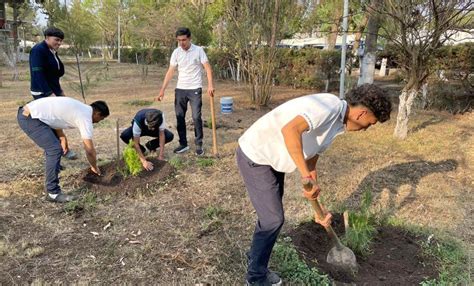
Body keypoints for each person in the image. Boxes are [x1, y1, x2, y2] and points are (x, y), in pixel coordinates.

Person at [236, 84, 392, 286]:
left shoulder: (337, 124)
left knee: (270, 216)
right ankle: (255, 278)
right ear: (362, 114)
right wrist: (304, 176)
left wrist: (316, 200)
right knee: (272, 219)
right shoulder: (329, 106)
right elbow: (290, 130)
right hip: (256, 154)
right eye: (370, 124)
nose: (366, 129)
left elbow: (311, 159)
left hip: (272, 159)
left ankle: (255, 254)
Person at [17, 97, 110, 203]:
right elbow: (89, 149)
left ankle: (54, 171)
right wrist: (94, 167)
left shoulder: (81, 107)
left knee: (55, 148)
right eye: (101, 119)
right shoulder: (85, 117)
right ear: (97, 113)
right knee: (54, 149)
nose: (98, 122)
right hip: (30, 118)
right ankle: (53, 193)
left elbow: (54, 116)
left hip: (33, 114)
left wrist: (61, 136)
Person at [156, 27, 215, 156]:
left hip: (195, 88)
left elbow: (208, 68)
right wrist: (162, 90)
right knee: (179, 117)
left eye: (183, 40)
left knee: (196, 117)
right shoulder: (176, 53)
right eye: (179, 41)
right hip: (180, 89)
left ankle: (199, 144)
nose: (181, 43)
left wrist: (210, 85)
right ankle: (183, 144)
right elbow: (170, 71)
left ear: (189, 38)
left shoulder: (199, 50)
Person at [29, 27, 65, 99]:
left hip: (54, 89)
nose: (59, 43)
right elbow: (37, 73)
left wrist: (59, 90)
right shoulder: (38, 50)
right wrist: (49, 93)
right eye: (57, 40)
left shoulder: (51, 51)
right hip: (43, 92)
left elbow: (57, 72)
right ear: (47, 37)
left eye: (61, 41)